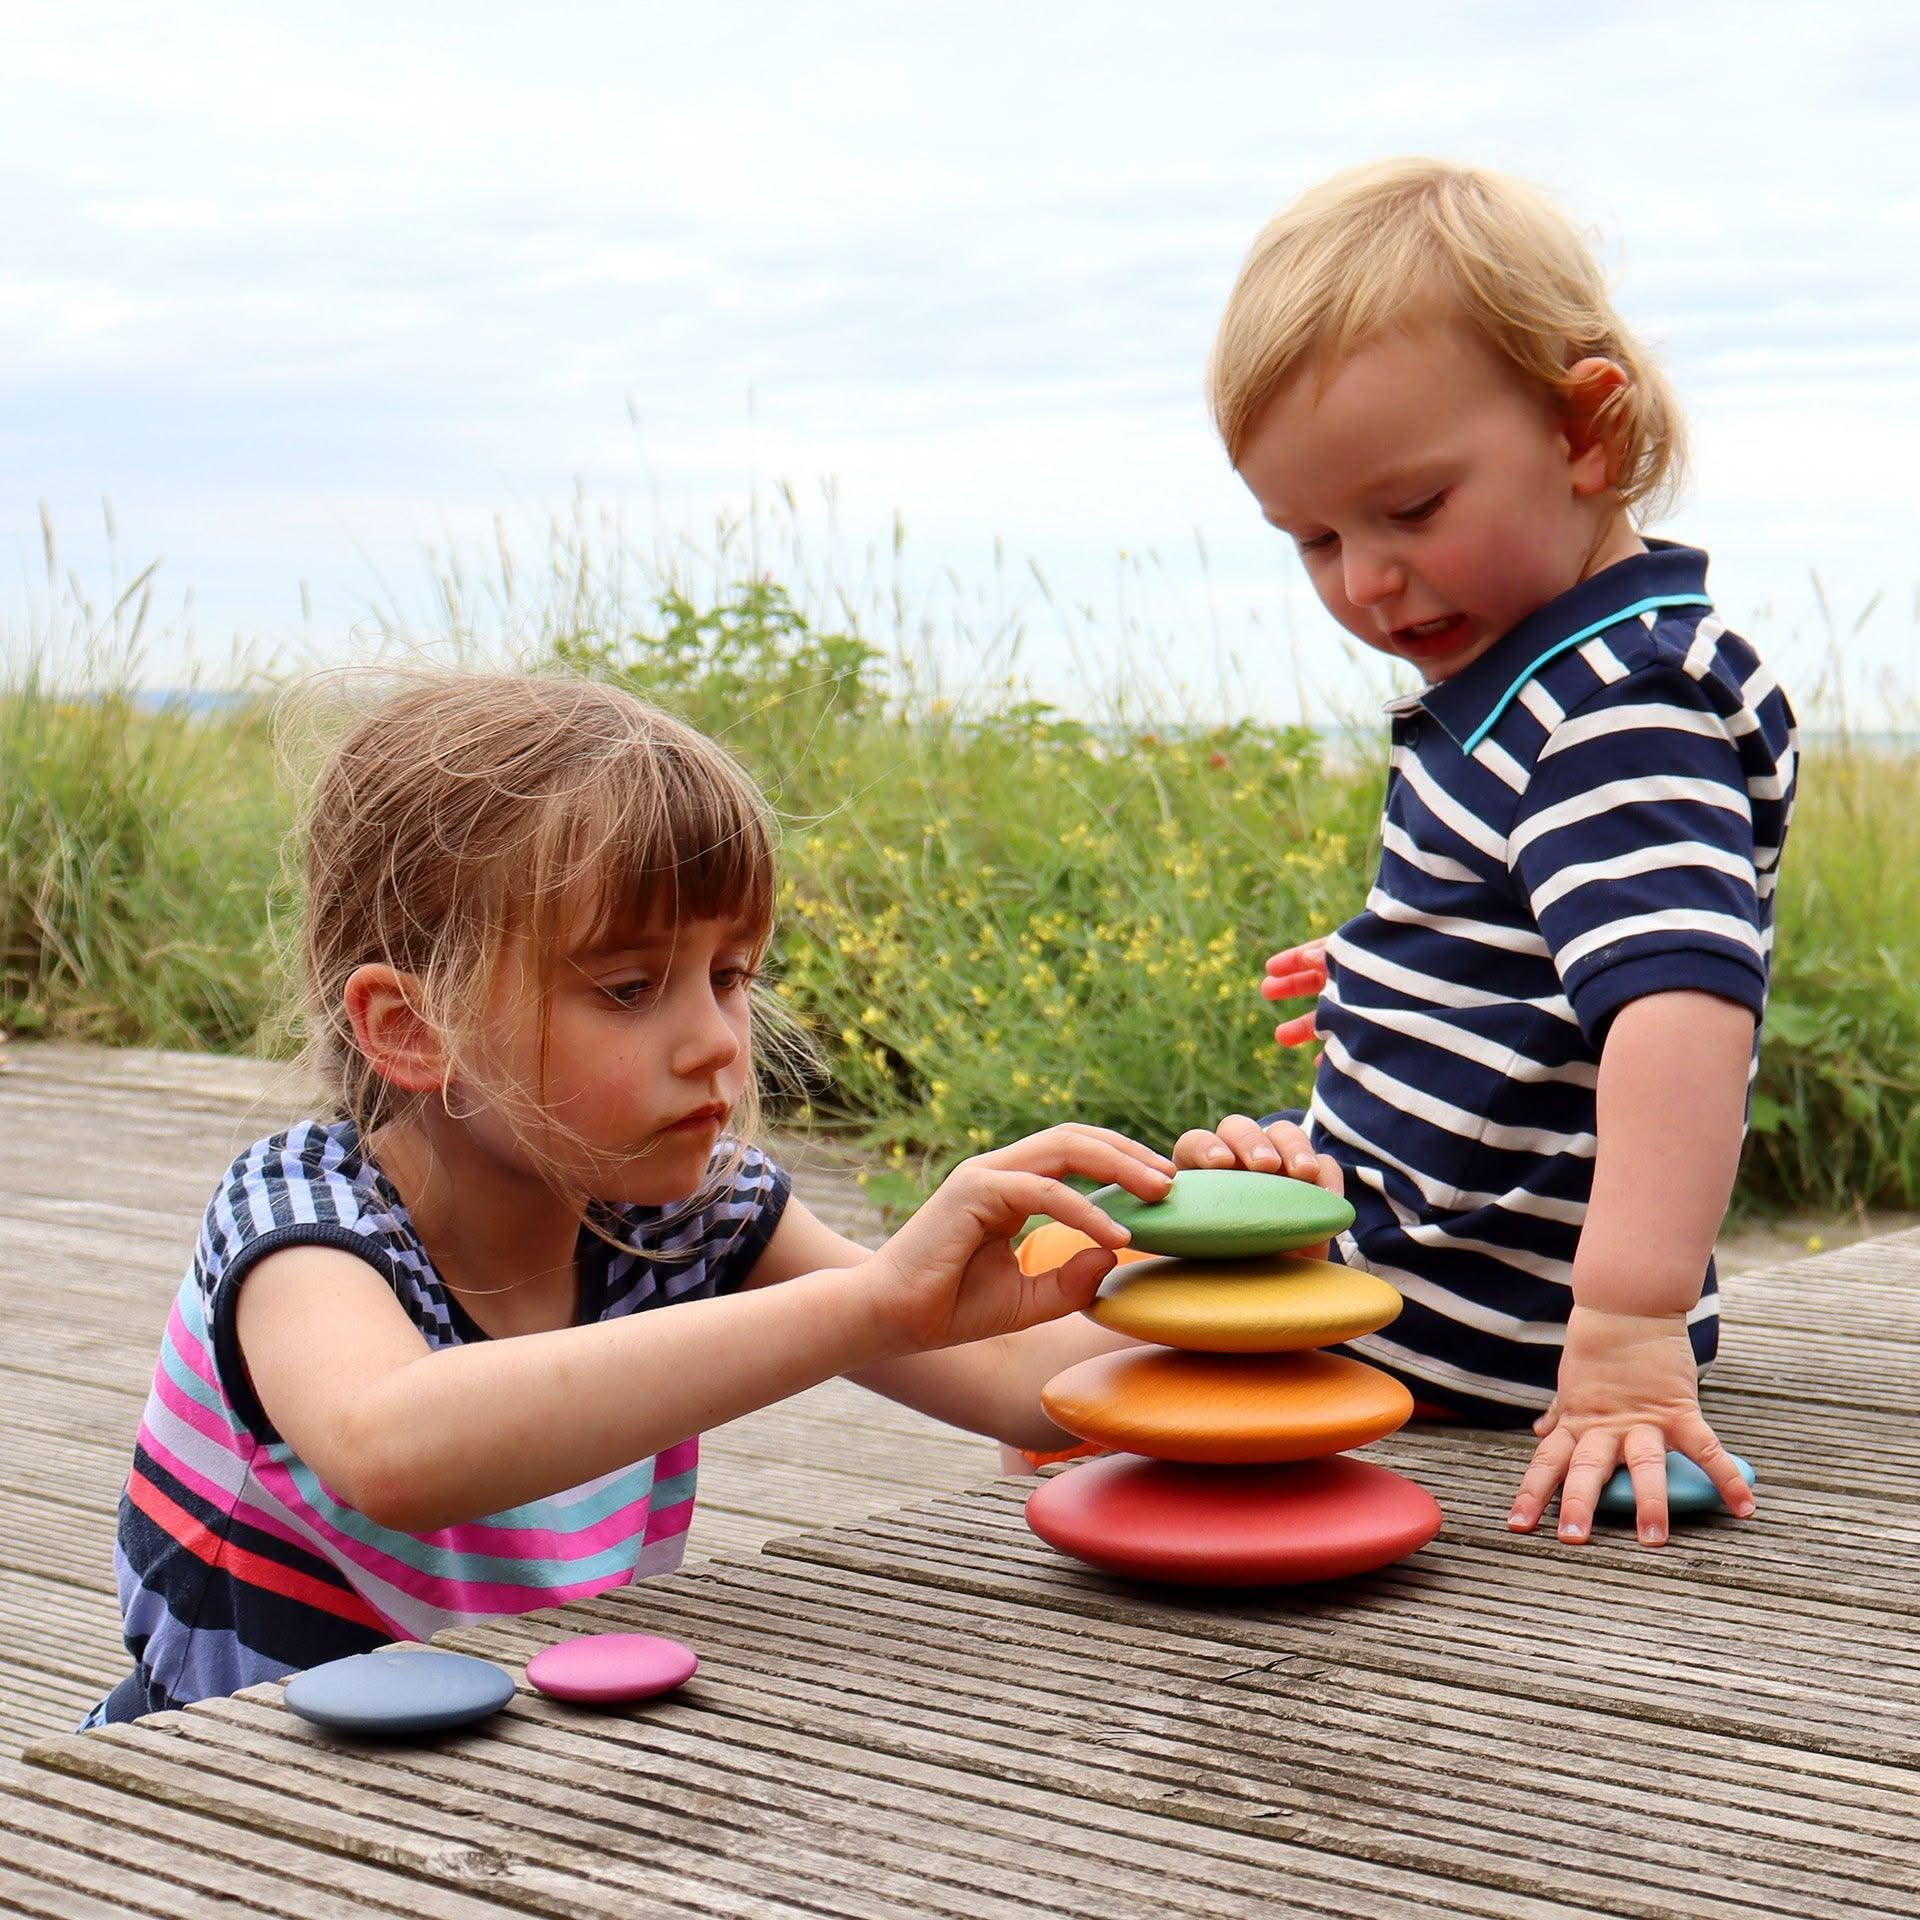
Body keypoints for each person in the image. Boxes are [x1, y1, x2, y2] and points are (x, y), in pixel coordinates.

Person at [85, 670, 1183, 1724]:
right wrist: (875, 1302)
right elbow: (390, 1448)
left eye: (730, 975)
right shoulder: (299, 1221)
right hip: (231, 1791)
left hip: (537, 1776)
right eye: (627, 988)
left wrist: (1226, 1257)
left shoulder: (689, 1215)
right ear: (414, 1029)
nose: (715, 1042)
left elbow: (1026, 1388)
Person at [1179, 159, 1796, 1549]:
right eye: (1316, 540)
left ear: (1587, 433)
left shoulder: (1613, 706)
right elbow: (1567, 938)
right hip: (1440, 1270)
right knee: (1105, 1307)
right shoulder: (1564, 683)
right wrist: (1398, 969)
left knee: (1065, 1383)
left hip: (1470, 1319)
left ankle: (785, 1290)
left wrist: (1629, 1338)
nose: (1366, 580)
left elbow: (1679, 1005)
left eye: (1412, 510)